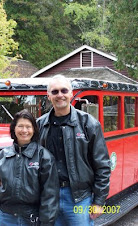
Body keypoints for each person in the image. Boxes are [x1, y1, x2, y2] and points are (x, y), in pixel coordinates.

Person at [37, 75, 111, 226]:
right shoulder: (39, 125)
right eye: (55, 91)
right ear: (49, 96)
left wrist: (99, 201)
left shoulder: (88, 124)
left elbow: (102, 165)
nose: (60, 95)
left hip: (79, 198)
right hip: (49, 197)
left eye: (64, 90)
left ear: (71, 93)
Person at [0, 109, 59, 226]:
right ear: (14, 129)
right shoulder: (1, 157)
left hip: (32, 218)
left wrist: (46, 222)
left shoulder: (44, 157)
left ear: (34, 129)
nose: (24, 130)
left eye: (28, 127)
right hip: (5, 218)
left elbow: (50, 195)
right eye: (20, 126)